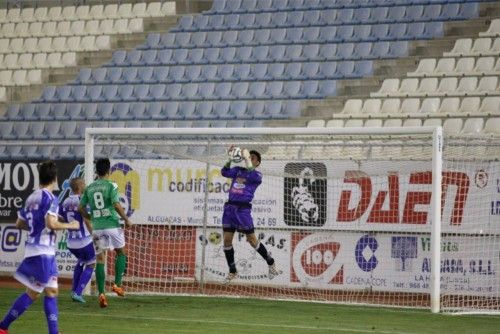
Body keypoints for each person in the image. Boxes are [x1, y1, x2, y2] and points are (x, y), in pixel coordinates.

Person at [0, 161, 79, 334]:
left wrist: (36, 227)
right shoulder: (51, 198)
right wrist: (70, 226)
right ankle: (3, 326)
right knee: (33, 293)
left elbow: (19, 223)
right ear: (55, 178)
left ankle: (53, 332)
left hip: (40, 252)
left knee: (51, 291)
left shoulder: (31, 197)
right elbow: (51, 223)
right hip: (42, 253)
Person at [221, 146, 281, 283]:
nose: (249, 159)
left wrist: (247, 157)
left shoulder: (257, 175)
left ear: (258, 162)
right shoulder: (237, 170)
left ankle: (271, 263)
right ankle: (232, 271)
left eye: (253, 158)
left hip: (243, 210)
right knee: (227, 241)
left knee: (252, 240)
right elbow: (224, 172)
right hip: (230, 208)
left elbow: (250, 169)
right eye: (249, 157)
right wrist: (230, 159)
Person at [78, 158, 132, 308]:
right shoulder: (111, 185)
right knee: (121, 252)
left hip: (97, 227)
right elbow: (116, 204)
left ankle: (102, 293)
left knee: (100, 259)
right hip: (112, 225)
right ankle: (117, 284)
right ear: (108, 171)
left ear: (96, 171)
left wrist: (90, 216)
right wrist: (126, 219)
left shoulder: (89, 188)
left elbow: (80, 208)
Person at [59, 177, 95, 304]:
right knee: (91, 263)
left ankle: (73, 290)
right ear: (79, 186)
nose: (85, 185)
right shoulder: (83, 200)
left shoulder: (65, 201)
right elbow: (86, 219)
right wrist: (94, 236)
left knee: (81, 261)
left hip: (71, 242)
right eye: (84, 183)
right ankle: (78, 293)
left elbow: (62, 219)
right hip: (83, 241)